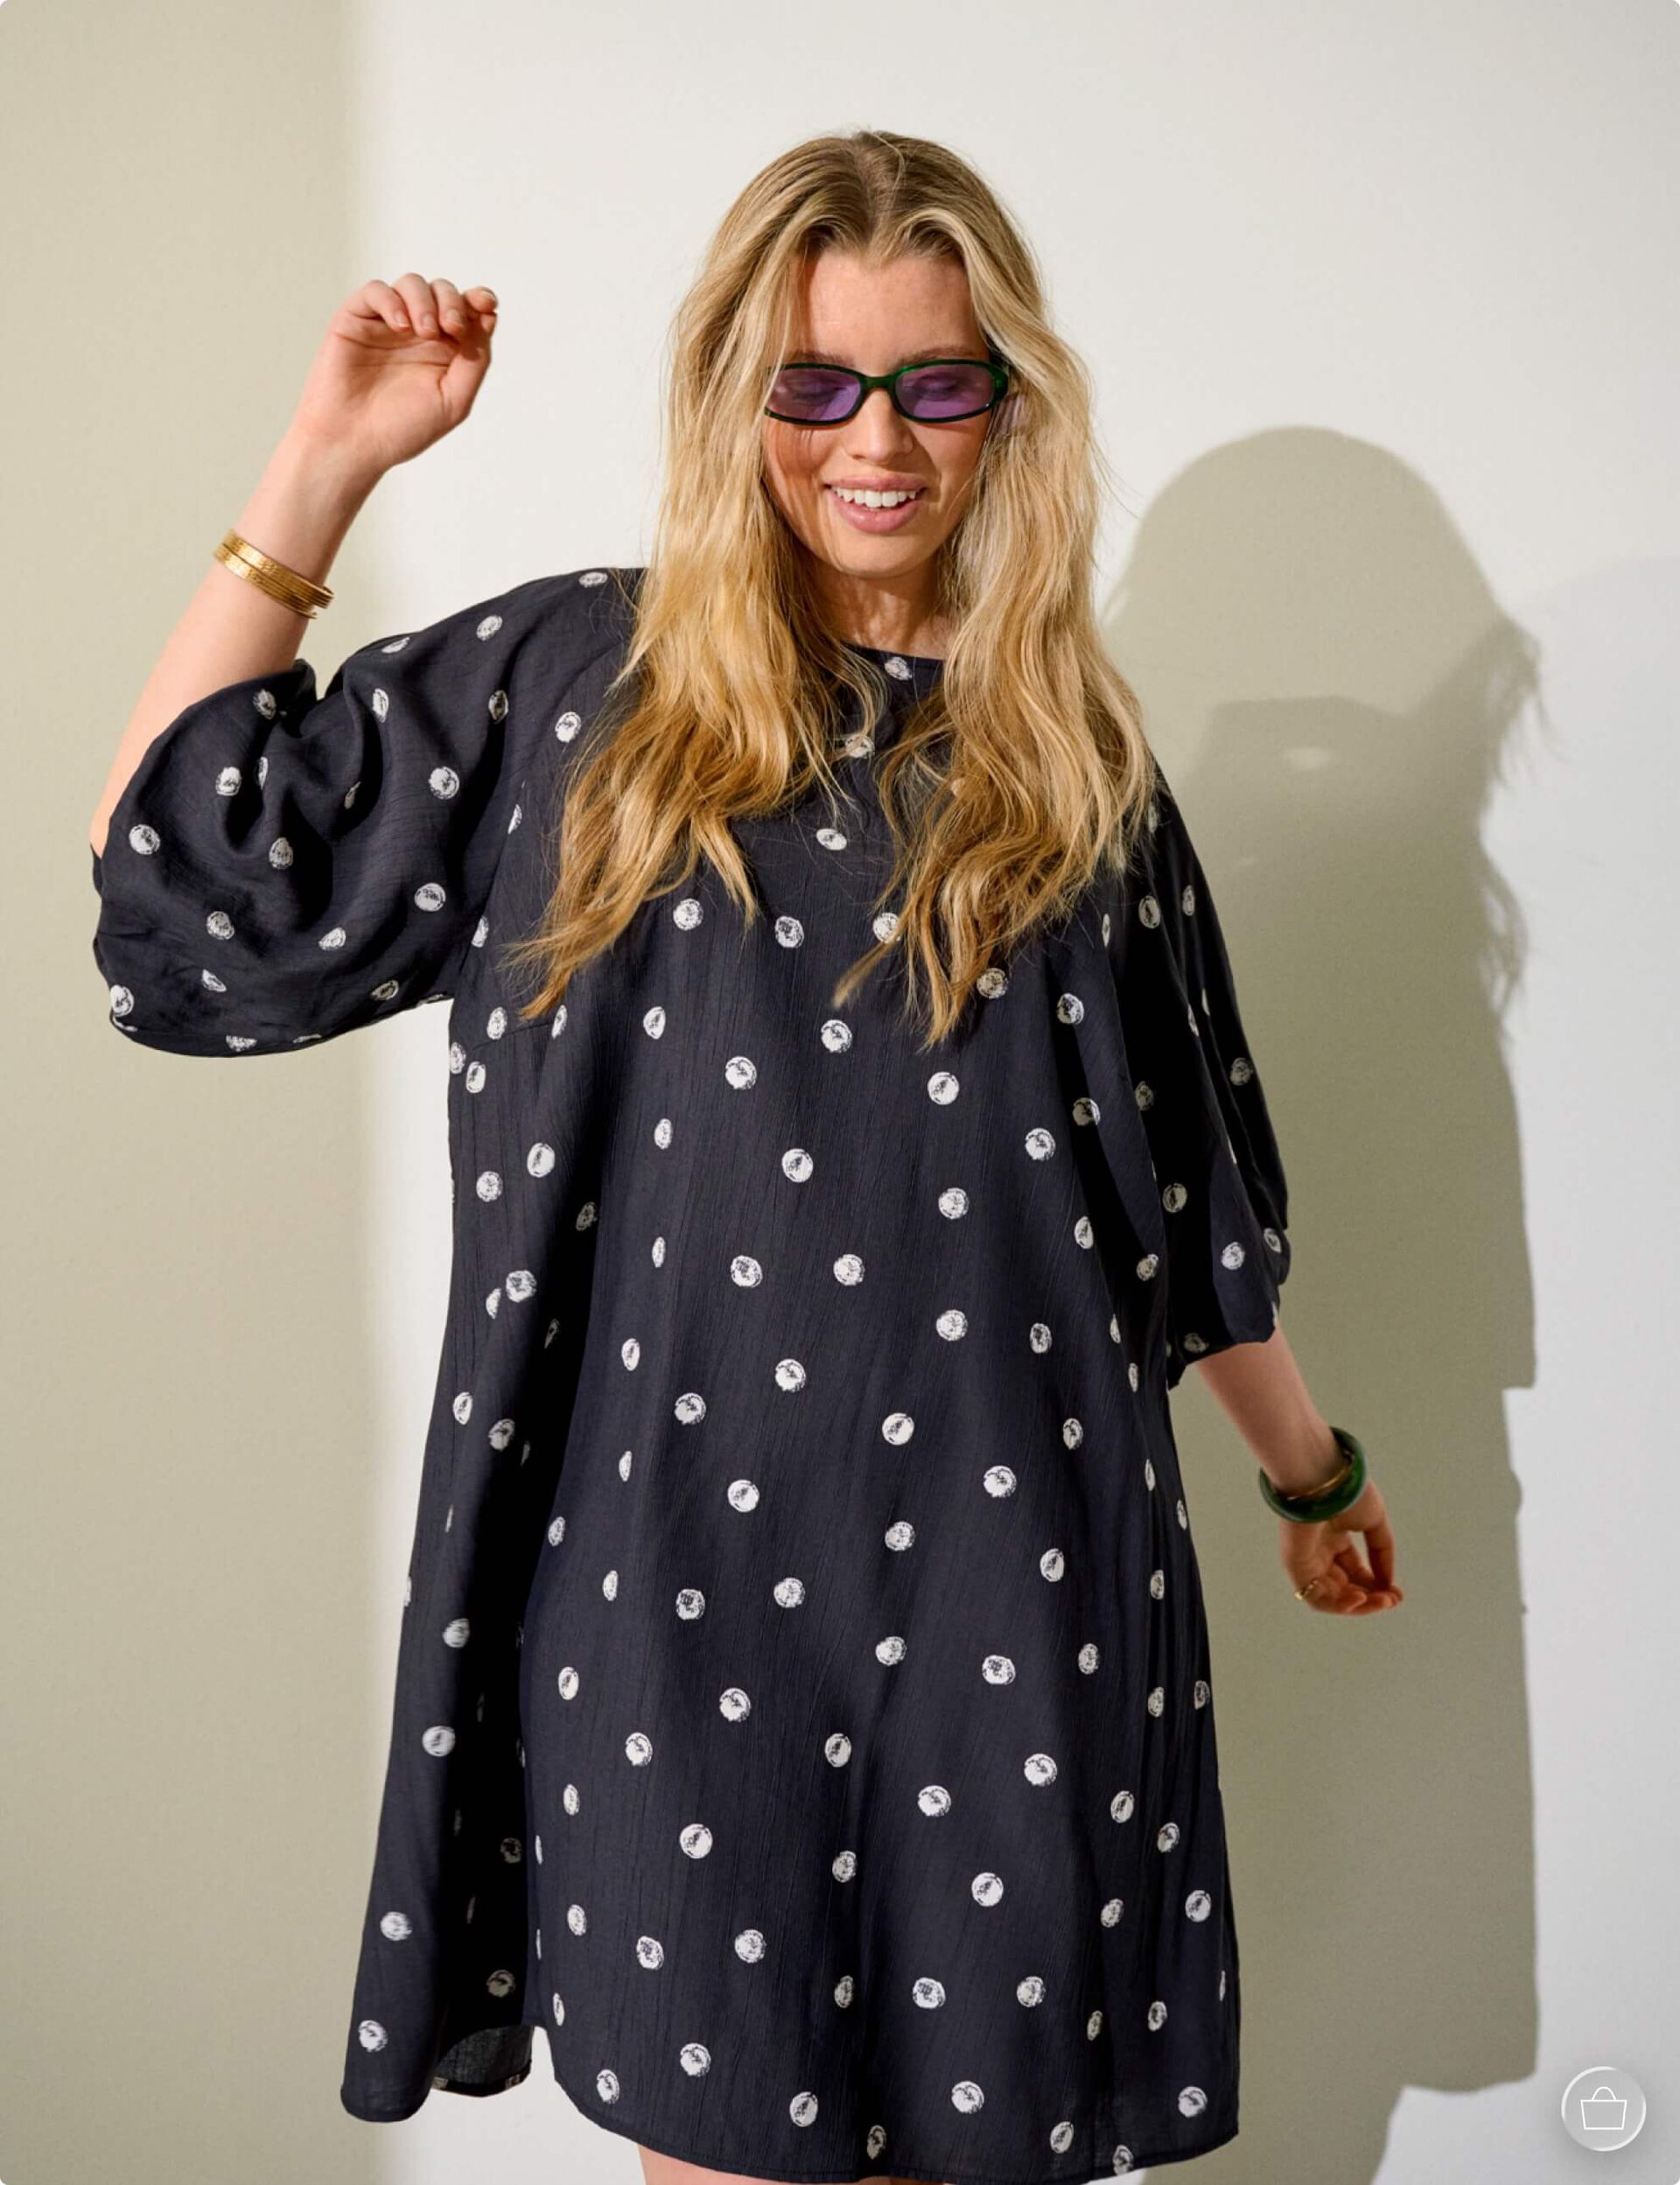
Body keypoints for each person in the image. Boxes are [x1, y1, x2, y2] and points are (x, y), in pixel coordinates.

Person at [88, 129, 1401, 2185]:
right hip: (671, 1600)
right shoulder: (577, 689)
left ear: (1007, 404)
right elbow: (185, 868)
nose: (876, 440)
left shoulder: (1077, 758)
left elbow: (1178, 1204)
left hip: (1021, 1589)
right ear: (737, 397)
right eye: (816, 383)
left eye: (935, 382)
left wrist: (1309, 1472)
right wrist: (324, 465)